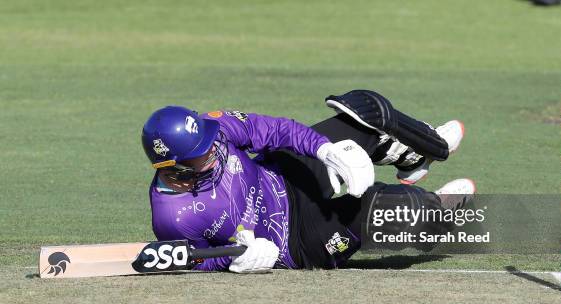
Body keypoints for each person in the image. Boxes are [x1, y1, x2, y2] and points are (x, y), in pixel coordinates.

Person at [141, 90, 475, 273]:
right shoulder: (172, 217)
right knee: (392, 209)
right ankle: (433, 214)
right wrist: (236, 258)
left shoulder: (215, 127)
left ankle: (414, 155)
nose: (214, 147)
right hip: (296, 242)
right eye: (201, 153)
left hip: (286, 176)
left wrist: (325, 151)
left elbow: (277, 130)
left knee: (368, 111)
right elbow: (196, 259)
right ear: (175, 167)